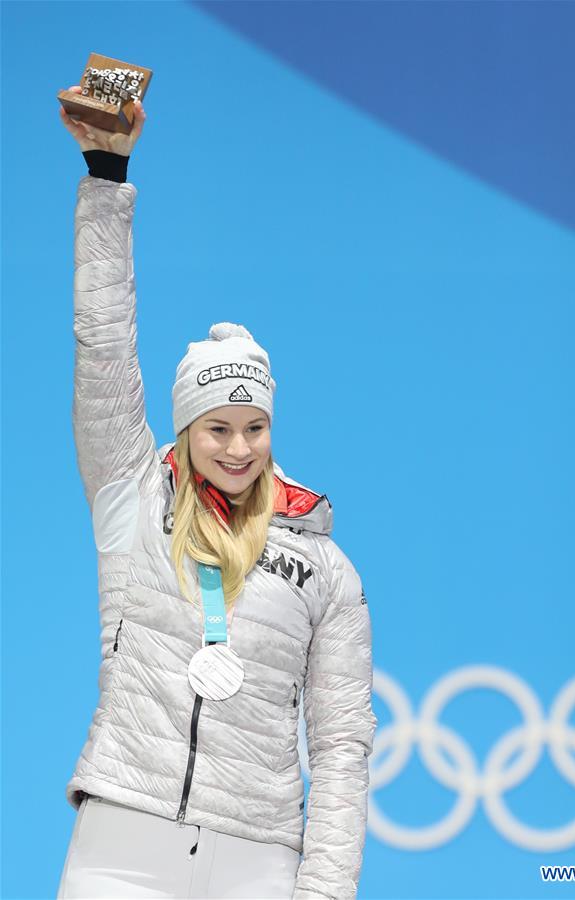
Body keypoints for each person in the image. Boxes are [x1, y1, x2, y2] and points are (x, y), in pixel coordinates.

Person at [56, 85, 377, 900]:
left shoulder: (326, 569)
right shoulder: (133, 496)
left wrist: (325, 890)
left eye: (254, 428)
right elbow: (104, 346)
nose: (238, 449)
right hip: (118, 850)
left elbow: (341, 746)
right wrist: (105, 173)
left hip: (257, 865)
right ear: (185, 430)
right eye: (216, 428)